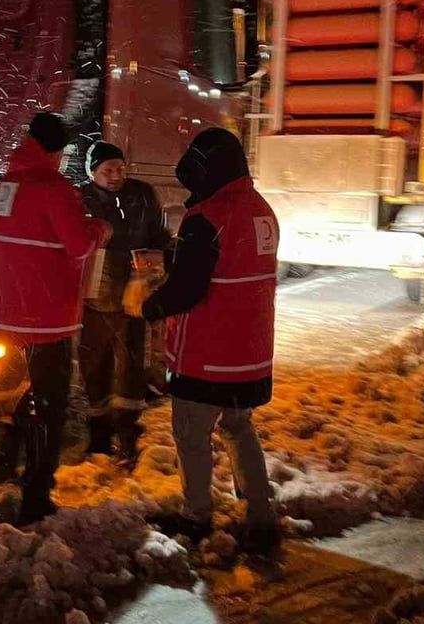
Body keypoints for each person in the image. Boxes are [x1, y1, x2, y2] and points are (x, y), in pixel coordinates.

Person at [130, 127, 283, 559]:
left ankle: (197, 516)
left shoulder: (207, 219)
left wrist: (149, 306)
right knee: (238, 427)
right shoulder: (262, 210)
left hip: (208, 355)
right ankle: (261, 517)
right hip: (250, 352)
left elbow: (188, 290)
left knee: (191, 436)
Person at [0, 112, 112, 525]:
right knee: (52, 403)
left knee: (37, 392)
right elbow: (78, 247)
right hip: (48, 315)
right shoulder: (55, 189)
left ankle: (11, 451)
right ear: (58, 151)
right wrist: (99, 229)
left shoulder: (5, 184)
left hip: (12, 309)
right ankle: (37, 497)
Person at [77, 142, 171, 463]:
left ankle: (128, 436)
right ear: (92, 172)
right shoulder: (80, 199)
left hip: (134, 300)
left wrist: (153, 270)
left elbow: (160, 238)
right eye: (107, 171)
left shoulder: (142, 194)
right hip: (94, 302)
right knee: (94, 367)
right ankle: (99, 437)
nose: (116, 176)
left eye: (120, 169)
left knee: (132, 368)